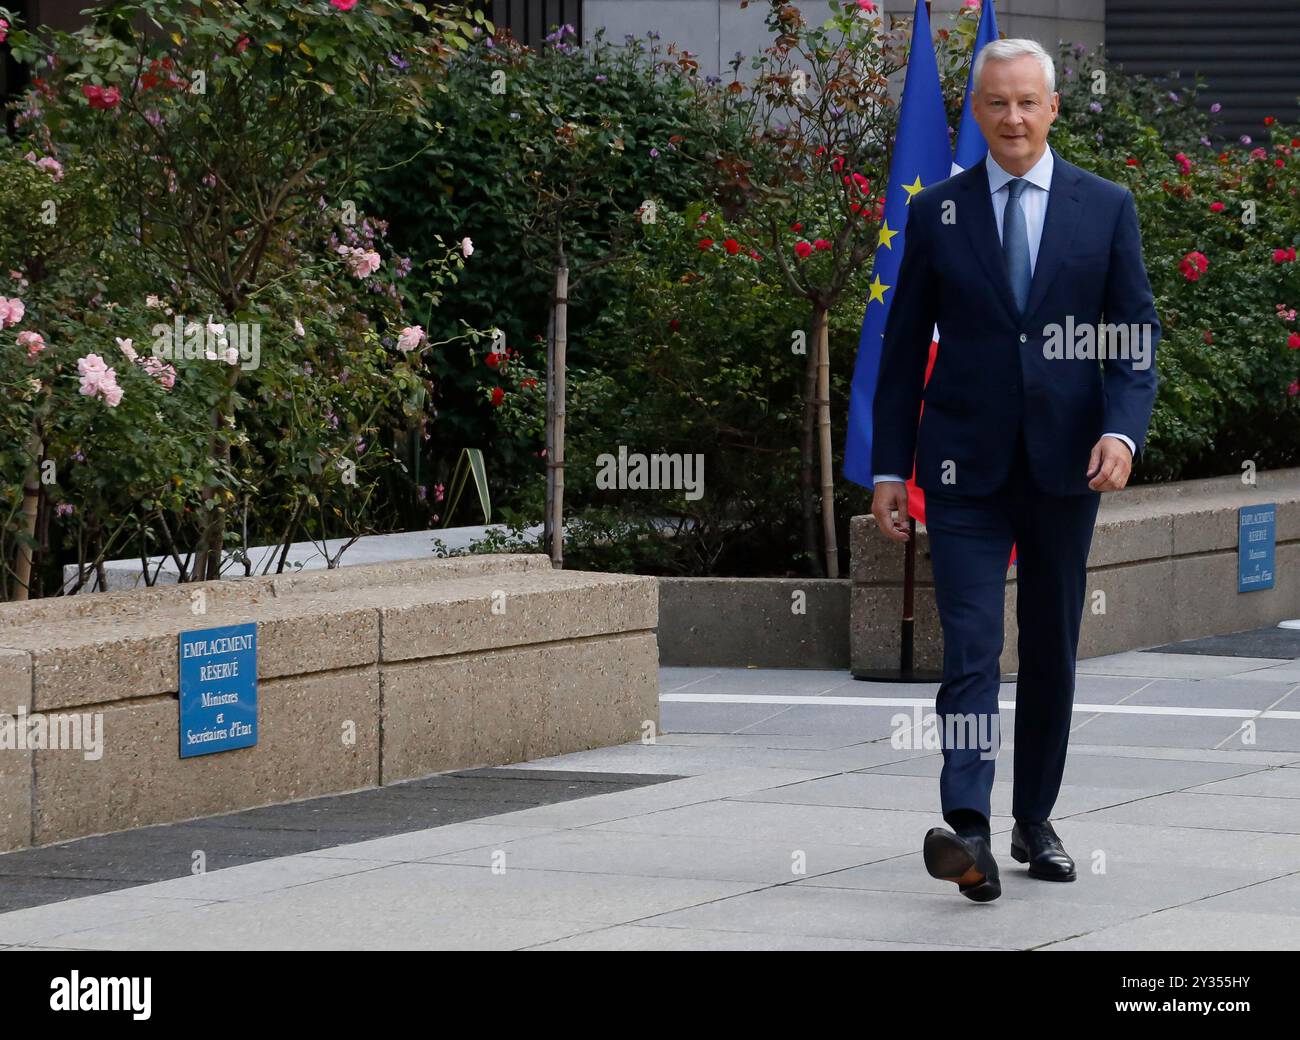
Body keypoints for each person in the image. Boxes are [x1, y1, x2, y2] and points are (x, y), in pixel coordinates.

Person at [869, 38, 1160, 902]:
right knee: (970, 645)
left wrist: (1123, 433)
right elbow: (900, 350)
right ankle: (968, 830)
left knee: (1051, 651)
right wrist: (890, 466)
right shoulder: (940, 213)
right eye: (996, 104)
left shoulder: (1104, 207)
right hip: (961, 467)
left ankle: (1035, 820)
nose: (1013, 118)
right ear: (979, 112)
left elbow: (1131, 339)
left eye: (1028, 102)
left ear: (1054, 107)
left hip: (1068, 467)